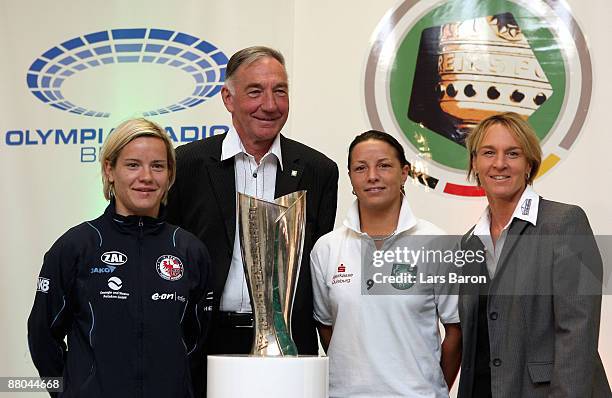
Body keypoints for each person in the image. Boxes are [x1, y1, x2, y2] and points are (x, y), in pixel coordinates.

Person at [166, 46, 339, 357]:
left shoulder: (319, 171)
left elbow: (316, 267)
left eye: (280, 91)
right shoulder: (186, 165)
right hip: (204, 341)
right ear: (228, 99)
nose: (270, 105)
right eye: (255, 91)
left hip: (290, 345)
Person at [28, 118, 212, 398]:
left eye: (157, 166)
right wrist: (67, 393)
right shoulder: (77, 246)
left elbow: (199, 343)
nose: (147, 177)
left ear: (170, 174)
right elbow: (43, 336)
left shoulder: (189, 251)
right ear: (109, 169)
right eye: (133, 164)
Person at [457, 112, 611, 397]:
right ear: (475, 163)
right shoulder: (470, 242)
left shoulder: (565, 222)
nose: (499, 163)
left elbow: (578, 333)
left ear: (529, 164)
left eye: (512, 153)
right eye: (489, 153)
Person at [310, 130, 461, 397]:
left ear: (404, 173)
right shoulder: (327, 248)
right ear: (350, 179)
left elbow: (456, 330)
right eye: (360, 168)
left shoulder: (437, 243)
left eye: (384, 165)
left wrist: (432, 388)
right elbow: (326, 326)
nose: (372, 177)